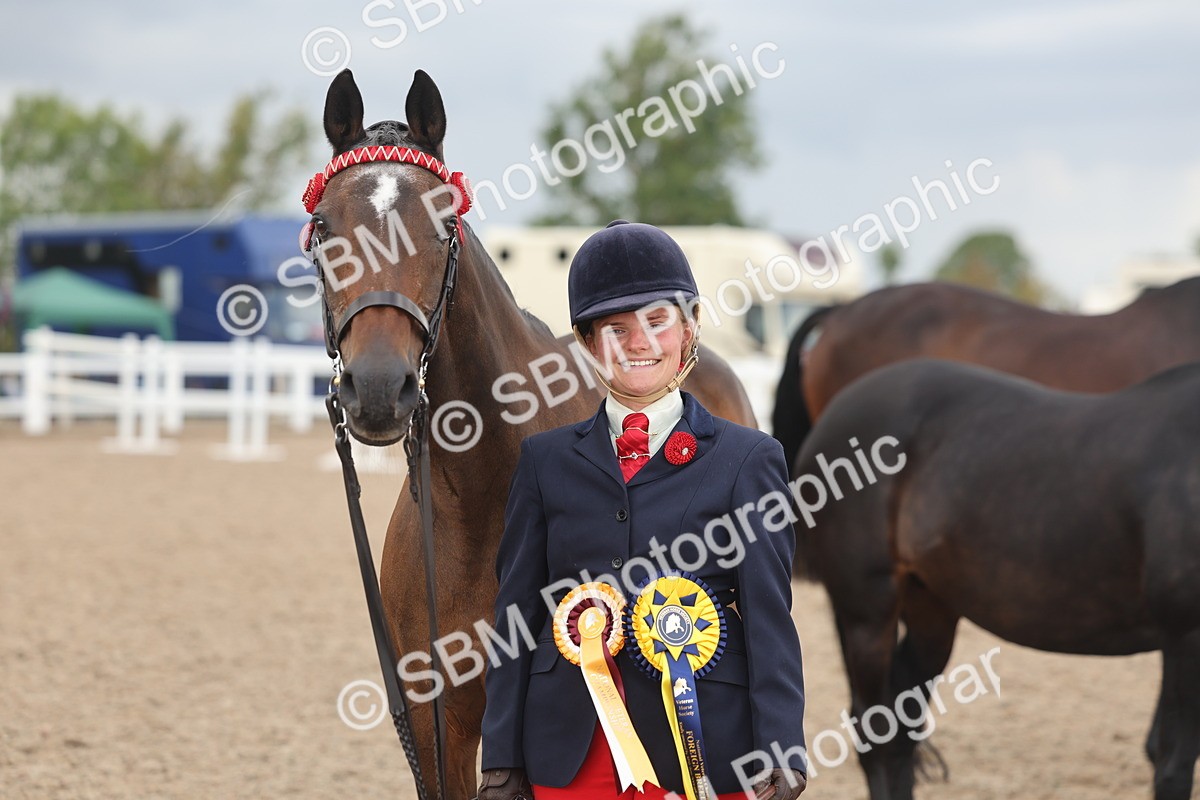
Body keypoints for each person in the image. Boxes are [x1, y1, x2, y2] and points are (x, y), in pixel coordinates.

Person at [478, 221, 807, 800]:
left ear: (690, 326)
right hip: (569, 751)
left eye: (657, 321)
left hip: (704, 745)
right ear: (586, 343)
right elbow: (516, 616)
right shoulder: (543, 461)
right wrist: (501, 756)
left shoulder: (749, 459)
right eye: (616, 329)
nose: (639, 343)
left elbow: (768, 616)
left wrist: (782, 746)